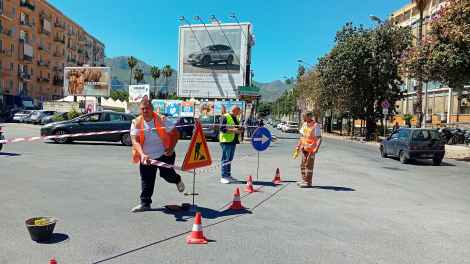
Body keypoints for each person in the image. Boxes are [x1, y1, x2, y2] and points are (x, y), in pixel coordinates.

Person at [130, 97, 185, 212]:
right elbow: (135, 141)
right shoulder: (136, 122)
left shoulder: (162, 120)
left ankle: (177, 180)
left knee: (167, 175)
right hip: (146, 156)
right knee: (146, 180)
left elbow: (175, 134)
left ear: (152, 109)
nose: (145, 111)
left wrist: (170, 148)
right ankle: (145, 203)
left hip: (164, 154)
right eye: (143, 109)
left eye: (147, 108)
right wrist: (142, 154)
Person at [296, 112, 322, 188]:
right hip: (304, 148)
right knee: (303, 165)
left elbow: (319, 138)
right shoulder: (304, 124)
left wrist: (316, 148)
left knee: (309, 166)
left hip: (311, 149)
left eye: (304, 116)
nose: (303, 118)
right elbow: (302, 136)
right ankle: (304, 180)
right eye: (303, 116)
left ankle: (308, 182)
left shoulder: (315, 125)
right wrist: (298, 146)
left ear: (310, 116)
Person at [219, 106, 243, 184]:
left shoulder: (235, 118)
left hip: (233, 141)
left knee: (229, 159)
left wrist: (240, 130)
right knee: (225, 159)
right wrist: (233, 130)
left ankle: (228, 175)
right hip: (226, 141)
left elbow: (237, 128)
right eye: (239, 111)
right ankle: (223, 176)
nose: (240, 113)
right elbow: (222, 129)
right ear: (235, 110)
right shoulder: (225, 116)